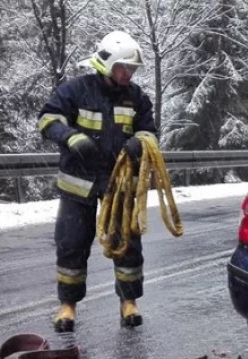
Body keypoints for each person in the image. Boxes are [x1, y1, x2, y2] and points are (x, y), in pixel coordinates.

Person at [37, 31, 158, 332]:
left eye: (132, 69)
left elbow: (150, 133)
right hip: (78, 183)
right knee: (71, 245)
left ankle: (129, 303)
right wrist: (71, 137)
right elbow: (48, 119)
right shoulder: (76, 90)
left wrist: (139, 143)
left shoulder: (137, 98)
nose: (128, 74)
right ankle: (67, 307)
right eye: (122, 68)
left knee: (126, 244)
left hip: (119, 185)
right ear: (106, 65)